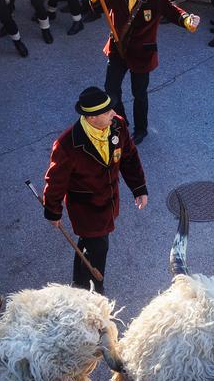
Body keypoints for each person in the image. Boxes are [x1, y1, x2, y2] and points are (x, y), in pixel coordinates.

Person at [41, 86, 147, 293]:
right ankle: (94, 293)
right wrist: (52, 210)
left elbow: (129, 158)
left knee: (90, 245)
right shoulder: (66, 145)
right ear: (91, 118)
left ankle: (79, 285)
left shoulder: (118, 126)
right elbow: (55, 181)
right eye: (108, 112)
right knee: (99, 247)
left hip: (109, 202)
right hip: (86, 210)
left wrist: (139, 188)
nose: (114, 114)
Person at [90, 0, 200, 144]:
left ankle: (141, 129)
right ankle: (121, 123)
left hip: (142, 53)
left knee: (139, 93)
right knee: (111, 90)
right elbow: (100, 6)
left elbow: (173, 11)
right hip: (118, 47)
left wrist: (188, 20)